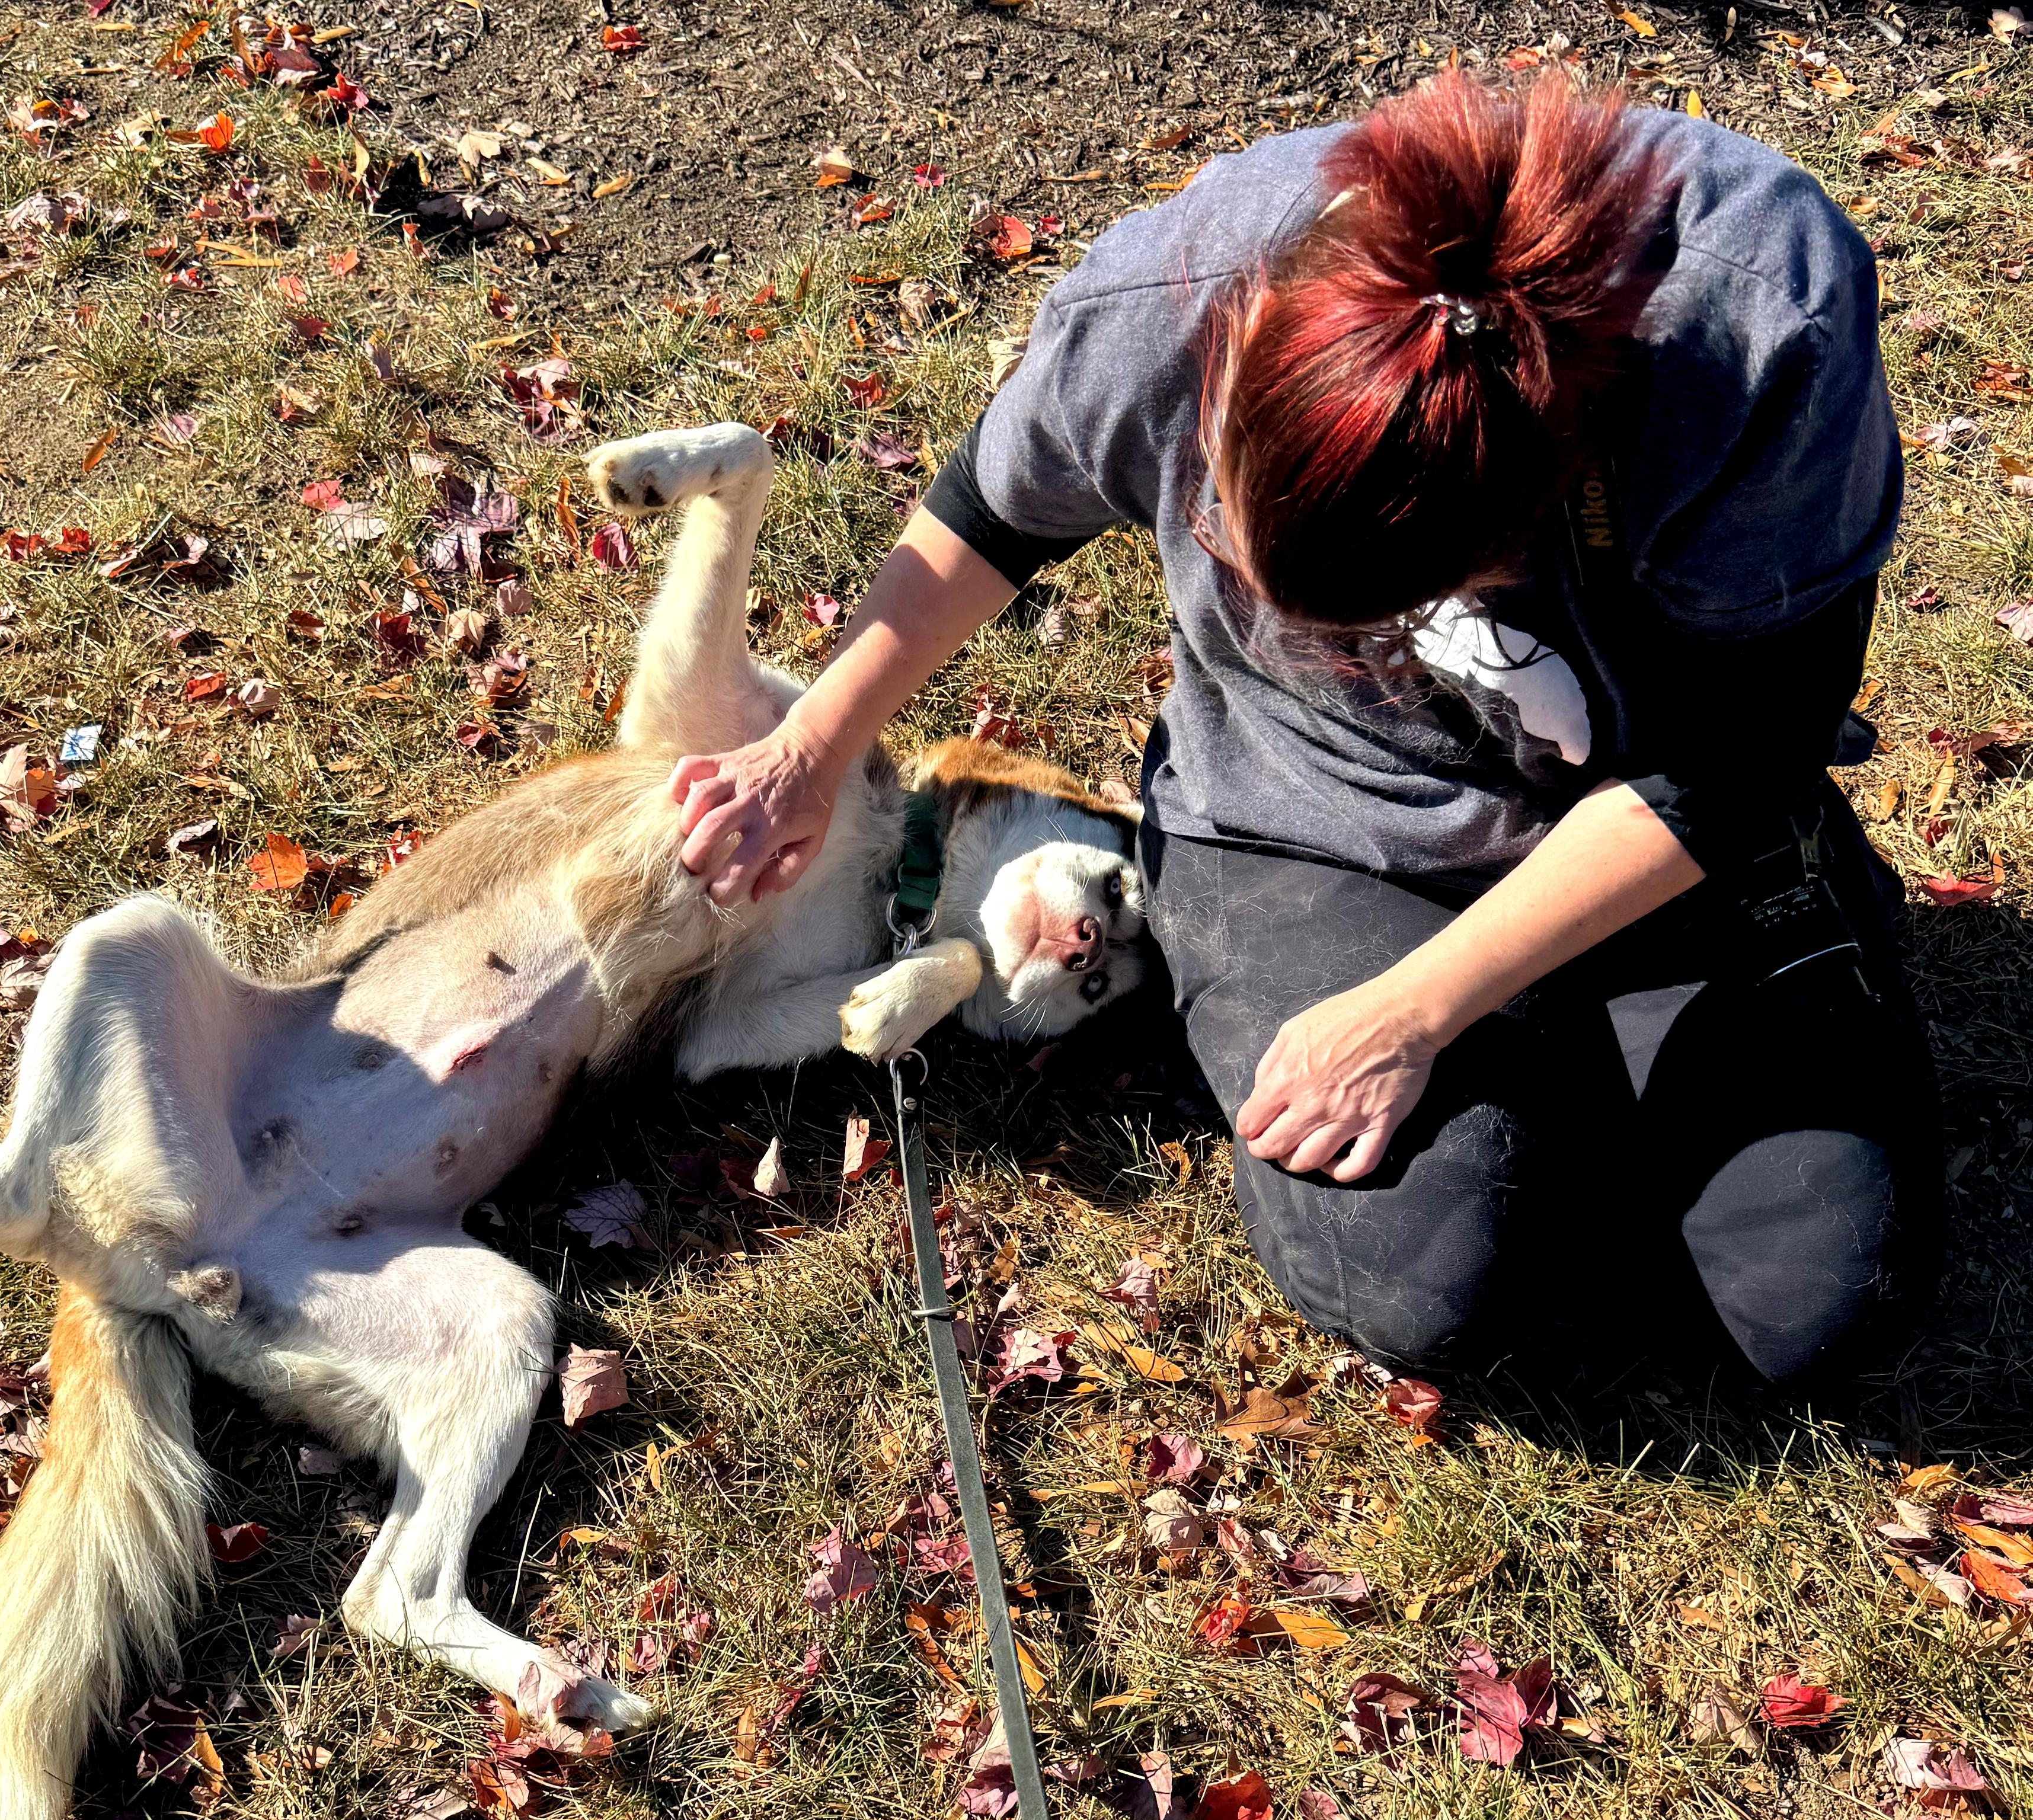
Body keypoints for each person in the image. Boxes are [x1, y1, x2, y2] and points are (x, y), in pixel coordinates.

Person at [664, 71, 1939, 1387]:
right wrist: (810, 744)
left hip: (1643, 803)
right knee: (1431, 1286)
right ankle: (1536, 1044)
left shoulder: (1761, 327)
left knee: (1815, 1303)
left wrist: (1415, 1006)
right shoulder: (1176, 290)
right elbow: (995, 514)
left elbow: (1732, 752)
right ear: (1238, 354)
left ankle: (1742, 930)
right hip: (1313, 806)